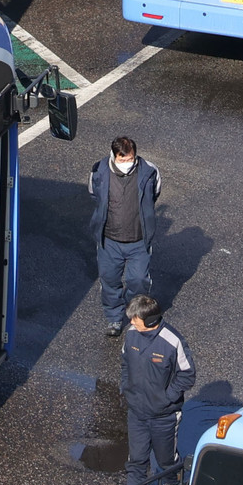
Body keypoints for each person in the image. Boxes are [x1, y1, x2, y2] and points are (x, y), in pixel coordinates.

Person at [120, 294, 195, 485]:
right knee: (137, 462)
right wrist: (126, 388)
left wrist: (166, 399)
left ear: (150, 320)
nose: (131, 322)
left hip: (164, 417)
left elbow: (187, 375)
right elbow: (125, 363)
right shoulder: (131, 334)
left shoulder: (172, 341)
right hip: (137, 413)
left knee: (166, 461)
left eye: (135, 318)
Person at [89, 135, 162, 337]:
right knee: (110, 281)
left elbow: (155, 193)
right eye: (122, 160)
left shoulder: (149, 171)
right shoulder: (99, 170)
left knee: (138, 280)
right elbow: (94, 194)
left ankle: (135, 316)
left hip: (139, 241)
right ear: (113, 157)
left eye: (130, 159)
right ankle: (113, 319)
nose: (127, 163)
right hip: (109, 241)